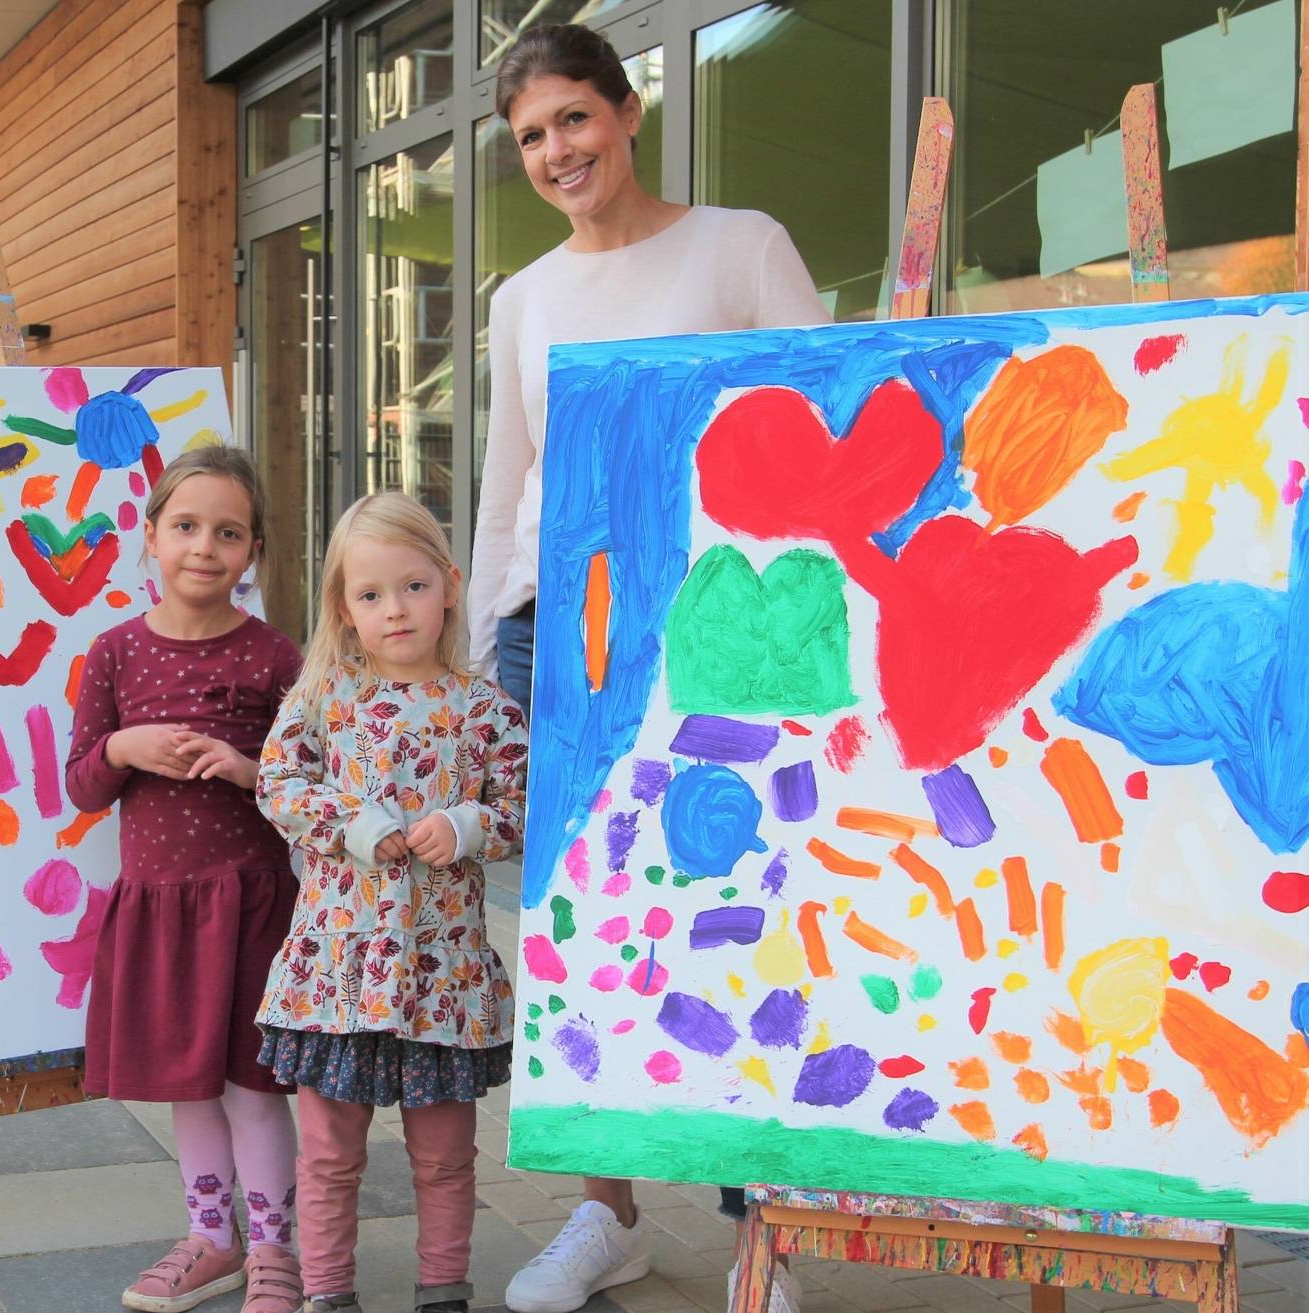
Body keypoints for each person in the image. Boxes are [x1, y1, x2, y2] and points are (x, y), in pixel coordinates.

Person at [469, 23, 830, 1313]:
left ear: (627, 113)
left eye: (573, 119)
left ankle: (758, 1236)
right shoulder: (522, 300)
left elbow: (818, 420)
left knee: (743, 922)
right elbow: (510, 482)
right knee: (586, 931)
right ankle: (604, 1214)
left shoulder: (739, 246)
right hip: (555, 638)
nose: (557, 152)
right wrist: (480, 647)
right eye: (530, 138)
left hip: (718, 636)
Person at [253, 491, 526, 1313]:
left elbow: (520, 808)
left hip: (439, 977)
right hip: (337, 973)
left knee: (445, 1156)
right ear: (344, 605)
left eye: (412, 586)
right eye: (370, 594)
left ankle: (443, 1289)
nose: (394, 609)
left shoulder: (485, 711)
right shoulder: (322, 701)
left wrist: (471, 822)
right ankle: (328, 1293)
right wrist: (353, 822)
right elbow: (277, 782)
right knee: (330, 1153)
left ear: (448, 584)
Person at [65, 445, 306, 1313]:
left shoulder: (278, 657)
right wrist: (123, 748)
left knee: (252, 1081)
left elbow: (310, 787)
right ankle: (213, 1236)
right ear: (152, 536)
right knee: (188, 1083)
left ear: (253, 552)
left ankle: (278, 1249)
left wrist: (246, 769)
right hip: (160, 908)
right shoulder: (115, 653)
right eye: (187, 526)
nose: (205, 546)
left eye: (229, 532)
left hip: (250, 906)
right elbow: (81, 783)